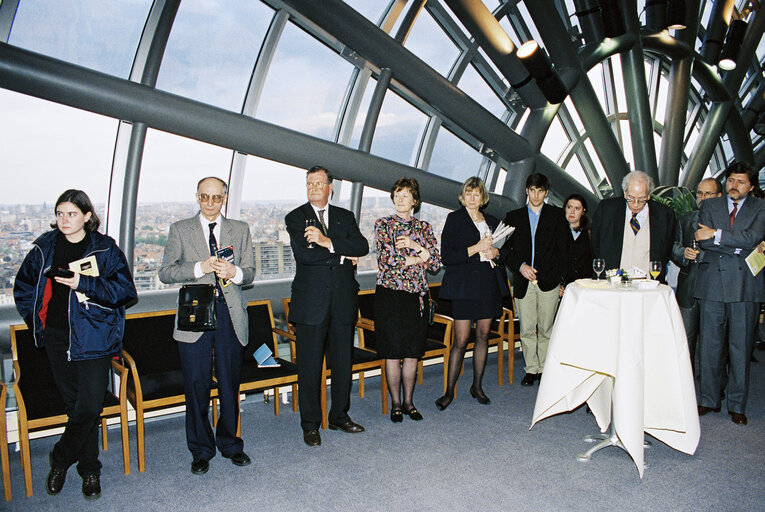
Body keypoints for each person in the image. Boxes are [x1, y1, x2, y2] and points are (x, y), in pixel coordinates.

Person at [14, 190, 137, 499]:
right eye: (60, 214)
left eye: (71, 214)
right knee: (75, 407)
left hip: (93, 335)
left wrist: (83, 283)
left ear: (86, 216)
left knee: (91, 405)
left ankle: (60, 458)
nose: (64, 220)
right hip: (57, 336)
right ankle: (90, 470)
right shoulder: (44, 247)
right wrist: (37, 322)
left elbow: (125, 291)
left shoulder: (104, 248)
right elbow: (24, 287)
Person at [158, 177, 255, 474]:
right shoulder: (180, 229)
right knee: (197, 384)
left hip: (229, 313)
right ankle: (201, 449)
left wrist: (234, 271)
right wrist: (200, 267)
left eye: (216, 197)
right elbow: (166, 272)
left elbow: (250, 274)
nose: (210, 203)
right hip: (195, 312)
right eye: (205, 197)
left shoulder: (240, 229)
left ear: (224, 198)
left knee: (229, 382)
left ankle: (230, 443)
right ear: (196, 197)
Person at [285, 166, 369, 446]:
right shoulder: (296, 217)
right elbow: (305, 257)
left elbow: (363, 246)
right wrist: (344, 256)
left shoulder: (345, 216)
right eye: (309, 183)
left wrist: (326, 241)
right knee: (309, 366)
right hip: (311, 303)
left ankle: (339, 416)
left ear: (330, 186)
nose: (314, 188)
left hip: (343, 301)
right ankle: (310, 424)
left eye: (319, 183)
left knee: (343, 362)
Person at [694, 162, 765, 425]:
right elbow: (705, 240)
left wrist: (719, 234)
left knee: (740, 348)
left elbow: (753, 237)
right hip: (712, 284)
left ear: (752, 186)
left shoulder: (761, 208)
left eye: (741, 182)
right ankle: (709, 400)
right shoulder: (709, 205)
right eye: (732, 180)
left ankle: (737, 405)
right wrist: (734, 242)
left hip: (745, 287)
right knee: (710, 347)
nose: (734, 186)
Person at [436, 177, 509, 410]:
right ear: (463, 196)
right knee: (460, 340)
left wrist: (495, 253)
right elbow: (447, 256)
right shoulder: (454, 219)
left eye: (476, 194)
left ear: (483, 197)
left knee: (483, 336)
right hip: (464, 286)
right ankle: (449, 391)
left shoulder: (493, 221)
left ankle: (477, 386)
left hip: (488, 284)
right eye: (468, 193)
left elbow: (505, 255)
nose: (472, 198)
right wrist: (477, 248)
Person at [373, 177, 441, 422]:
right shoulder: (383, 225)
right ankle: (395, 404)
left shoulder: (424, 228)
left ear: (415, 200)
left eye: (406, 195)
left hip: (416, 298)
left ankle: (409, 401)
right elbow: (387, 262)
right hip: (390, 297)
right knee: (392, 352)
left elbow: (435, 263)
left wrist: (414, 246)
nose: (401, 199)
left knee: (412, 352)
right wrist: (418, 257)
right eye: (397, 195)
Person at [502, 173, 569, 386]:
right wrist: (520, 267)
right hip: (523, 281)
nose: (536, 195)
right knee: (528, 328)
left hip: (548, 280)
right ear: (526, 191)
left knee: (547, 328)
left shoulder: (557, 216)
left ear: (546, 193)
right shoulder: (513, 216)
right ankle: (531, 369)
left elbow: (564, 252)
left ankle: (545, 369)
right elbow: (504, 250)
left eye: (540, 191)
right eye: (533, 190)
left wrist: (560, 279)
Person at [671, 178, 722, 376]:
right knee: (685, 340)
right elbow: (673, 246)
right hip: (688, 289)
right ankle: (686, 383)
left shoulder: (727, 225)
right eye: (699, 193)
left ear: (718, 197)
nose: (702, 198)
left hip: (716, 291)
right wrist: (682, 252)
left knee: (715, 342)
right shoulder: (685, 220)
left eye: (708, 194)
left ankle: (716, 386)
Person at [591, 170, 676, 282]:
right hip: (612, 283)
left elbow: (666, 250)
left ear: (649, 195)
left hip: (648, 285)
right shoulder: (606, 210)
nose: (636, 204)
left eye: (641, 199)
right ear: (625, 193)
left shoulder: (664, 215)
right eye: (631, 198)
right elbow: (595, 243)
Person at [562, 193, 593, 287]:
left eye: (577, 209)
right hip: (562, 285)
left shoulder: (590, 232)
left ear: (583, 211)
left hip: (584, 285)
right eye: (569, 207)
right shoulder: (558, 230)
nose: (572, 212)